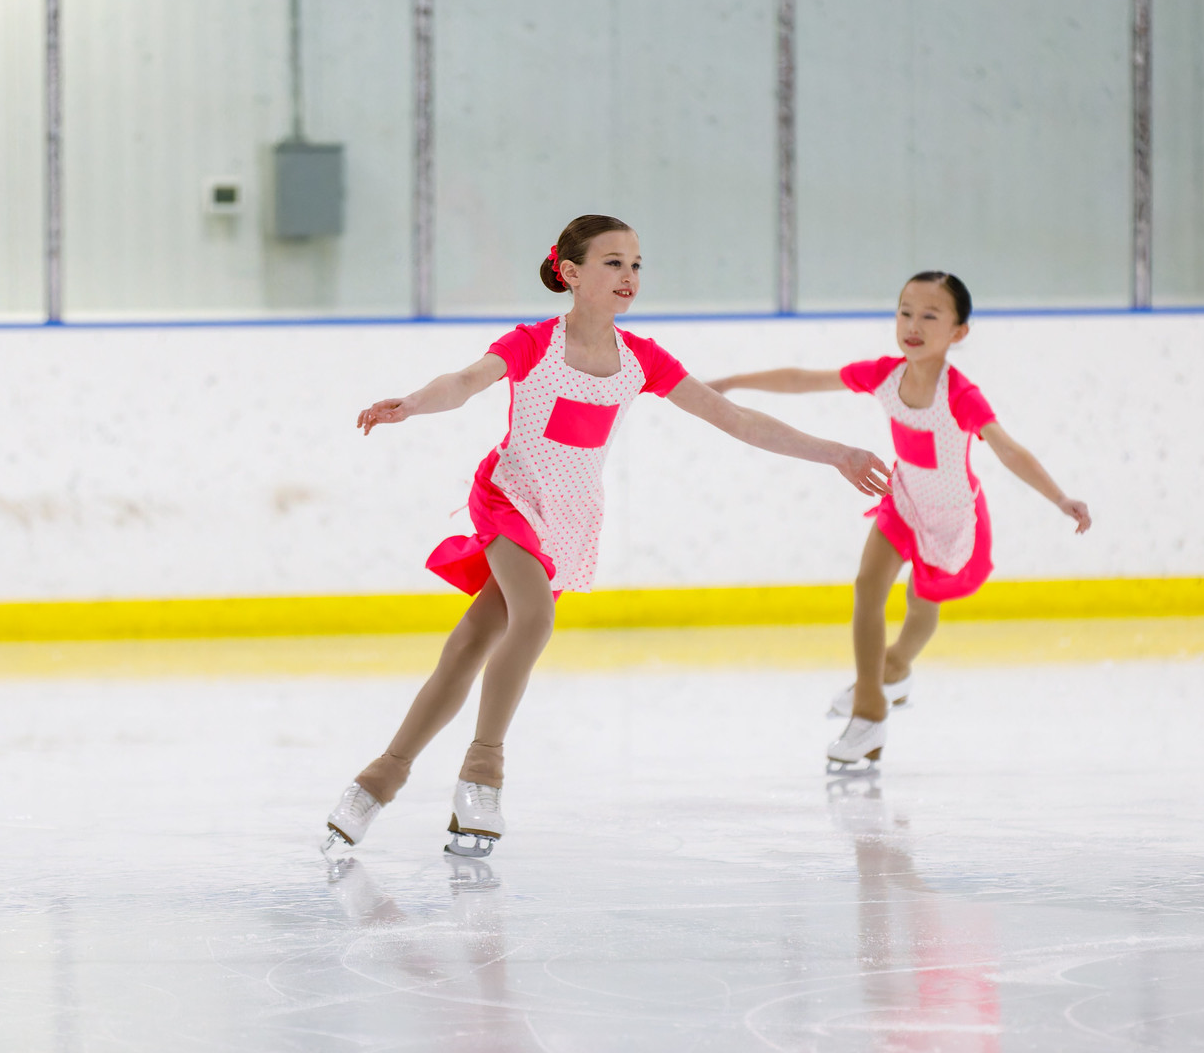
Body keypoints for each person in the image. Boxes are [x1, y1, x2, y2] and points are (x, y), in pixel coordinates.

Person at [323, 214, 889, 856]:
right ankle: (483, 771)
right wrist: (413, 403)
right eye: (613, 262)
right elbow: (464, 382)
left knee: (471, 644)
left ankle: (380, 778)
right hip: (511, 496)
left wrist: (836, 453)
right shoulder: (533, 343)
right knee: (531, 618)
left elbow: (734, 419)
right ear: (570, 272)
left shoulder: (641, 360)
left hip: (569, 516)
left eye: (637, 264)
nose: (629, 276)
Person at [708, 271, 1091, 773]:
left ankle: (898, 667)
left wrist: (1059, 497)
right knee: (868, 586)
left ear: (959, 332)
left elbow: (1007, 449)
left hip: (953, 515)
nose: (913, 324)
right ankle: (870, 709)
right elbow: (806, 380)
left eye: (930, 315)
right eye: (905, 311)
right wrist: (735, 382)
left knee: (919, 604)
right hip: (904, 498)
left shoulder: (961, 396)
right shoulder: (884, 374)